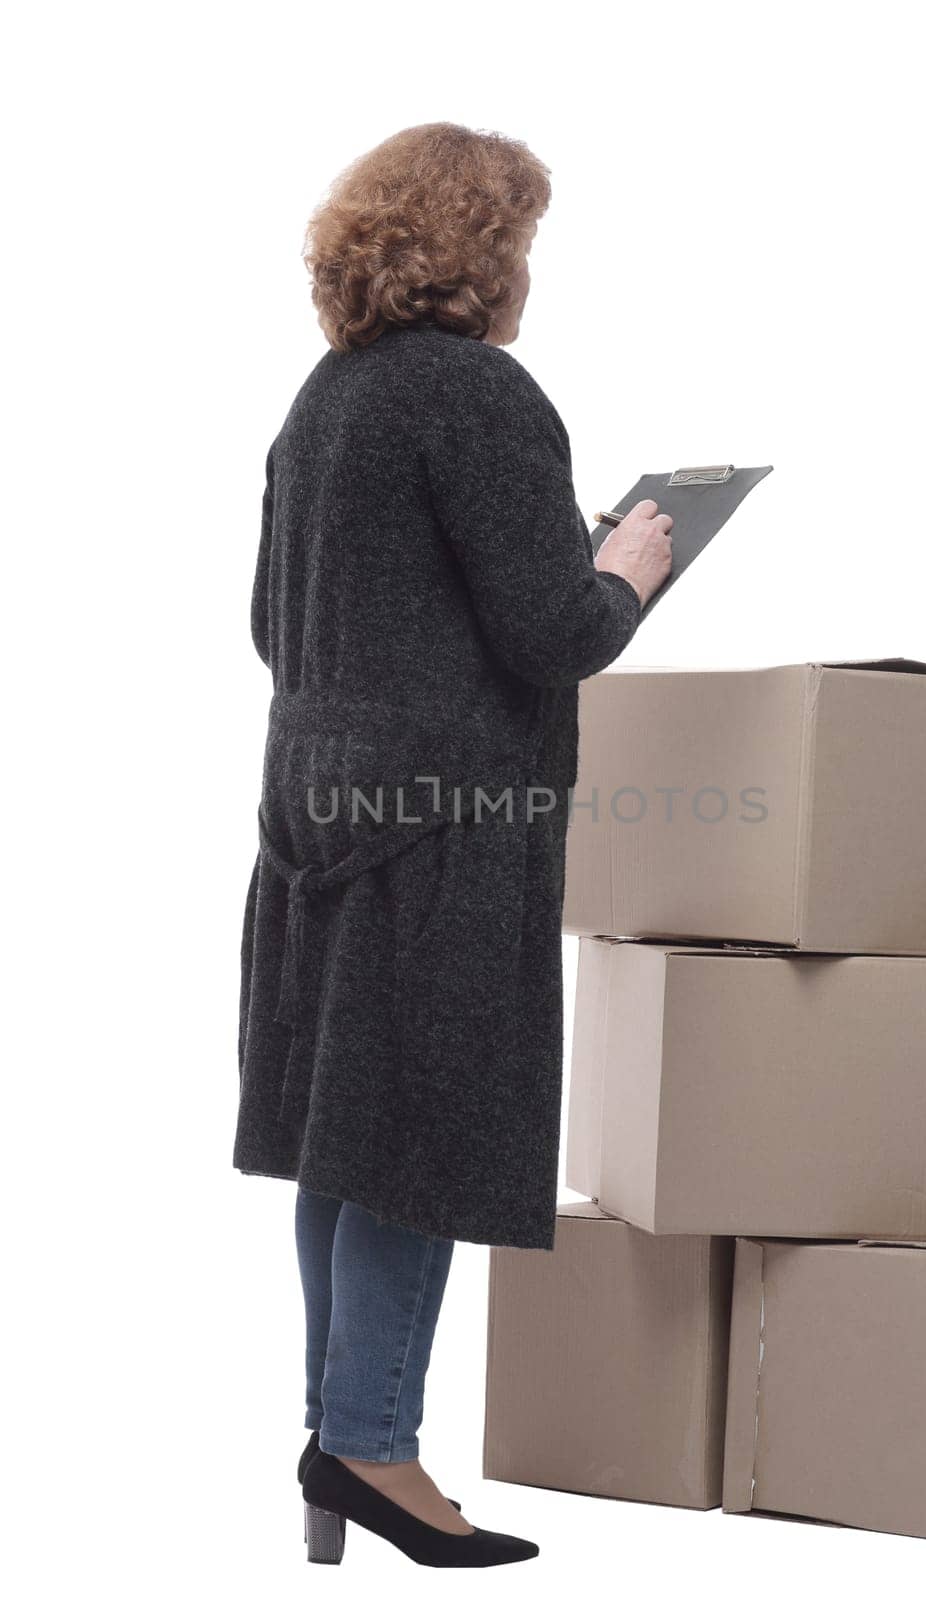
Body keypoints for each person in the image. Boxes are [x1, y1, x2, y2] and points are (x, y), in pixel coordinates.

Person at [233, 121, 672, 1568]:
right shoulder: (479, 397)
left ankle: (334, 1439)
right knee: (415, 1137)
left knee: (339, 1139)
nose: (529, 275)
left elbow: (267, 626)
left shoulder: (327, 400)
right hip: (442, 832)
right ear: (485, 256)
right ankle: (371, 1447)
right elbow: (554, 633)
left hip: (316, 816)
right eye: (523, 245)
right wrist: (623, 567)